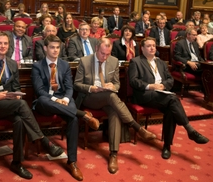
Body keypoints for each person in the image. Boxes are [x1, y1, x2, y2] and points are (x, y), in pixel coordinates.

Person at [0, 31, 64, 180]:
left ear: (9, 46)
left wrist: (15, 94)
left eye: (6, 43)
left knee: (20, 120)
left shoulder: (12, 64)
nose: (3, 46)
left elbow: (16, 88)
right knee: (21, 105)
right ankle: (43, 140)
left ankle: (16, 162)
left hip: (9, 104)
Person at [74, 37, 157, 174]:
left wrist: (113, 85)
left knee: (114, 111)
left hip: (107, 98)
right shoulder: (85, 61)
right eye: (102, 53)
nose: (105, 57)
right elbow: (76, 84)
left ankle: (113, 154)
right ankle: (137, 127)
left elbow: (118, 84)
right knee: (112, 97)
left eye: (108, 54)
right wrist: (91, 88)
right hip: (90, 97)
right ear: (96, 49)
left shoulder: (113, 61)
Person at [31, 34, 99, 181]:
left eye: (57, 47)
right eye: (52, 47)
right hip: (47, 102)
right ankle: (83, 114)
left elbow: (69, 87)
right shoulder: (37, 66)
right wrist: (55, 99)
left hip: (64, 99)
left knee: (73, 119)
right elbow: (39, 90)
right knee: (42, 100)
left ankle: (72, 162)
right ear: (45, 48)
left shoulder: (64, 65)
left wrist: (67, 99)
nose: (55, 50)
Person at [128, 37, 209, 159]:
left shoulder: (161, 62)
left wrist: (163, 85)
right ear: (142, 48)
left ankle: (167, 146)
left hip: (162, 94)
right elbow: (133, 81)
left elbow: (170, 79)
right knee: (173, 99)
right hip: (145, 95)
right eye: (149, 46)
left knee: (171, 109)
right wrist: (150, 86)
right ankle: (190, 130)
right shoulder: (136, 61)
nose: (152, 48)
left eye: (154, 46)